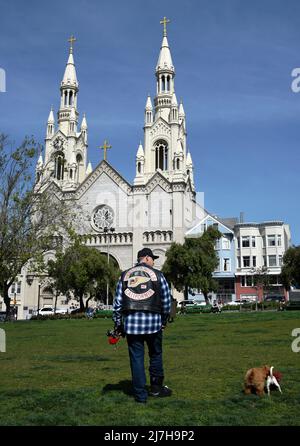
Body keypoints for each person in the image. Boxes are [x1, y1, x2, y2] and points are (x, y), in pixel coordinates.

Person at [112, 247, 172, 403]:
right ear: (145, 258)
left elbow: (117, 304)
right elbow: (166, 302)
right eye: (152, 259)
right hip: (154, 324)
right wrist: (163, 321)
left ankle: (140, 396)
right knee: (156, 355)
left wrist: (119, 325)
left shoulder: (124, 276)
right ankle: (157, 389)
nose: (153, 262)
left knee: (136, 359)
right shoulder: (159, 276)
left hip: (132, 325)